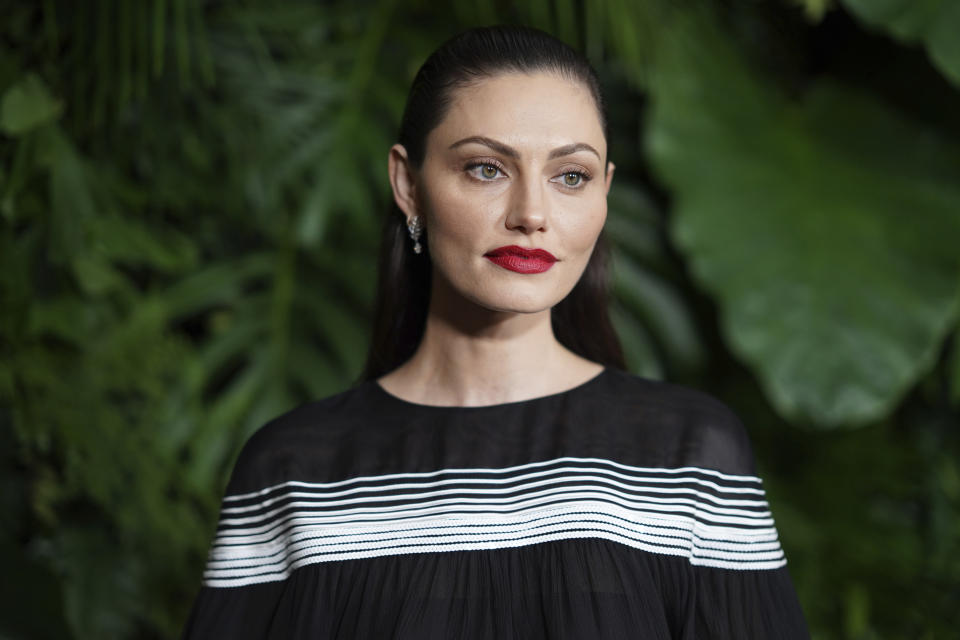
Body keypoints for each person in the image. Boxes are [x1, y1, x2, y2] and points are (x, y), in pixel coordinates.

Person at [181, 25, 809, 639]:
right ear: (409, 185)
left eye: (571, 176)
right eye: (486, 169)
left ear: (604, 193)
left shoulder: (690, 457)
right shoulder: (294, 470)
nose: (532, 213)